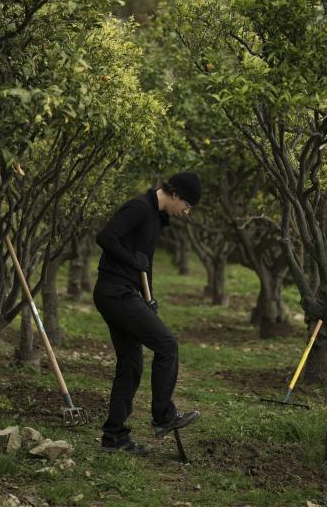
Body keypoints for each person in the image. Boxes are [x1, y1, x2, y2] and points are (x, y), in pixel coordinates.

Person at [92, 171, 202, 455]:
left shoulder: (157, 219)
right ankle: (162, 416)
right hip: (115, 292)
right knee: (167, 345)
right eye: (187, 205)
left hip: (127, 293)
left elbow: (145, 264)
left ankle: (114, 437)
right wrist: (132, 261)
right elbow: (105, 237)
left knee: (131, 365)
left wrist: (148, 297)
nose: (186, 212)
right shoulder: (139, 208)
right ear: (175, 194)